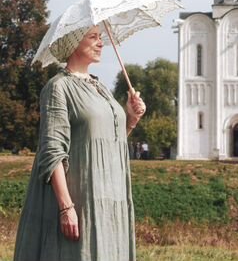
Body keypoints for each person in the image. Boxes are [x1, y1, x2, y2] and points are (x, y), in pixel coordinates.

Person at [13, 25, 146, 261]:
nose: (100, 42)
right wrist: (66, 207)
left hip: (110, 198)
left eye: (101, 37)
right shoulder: (58, 87)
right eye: (93, 37)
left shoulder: (101, 87)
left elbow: (106, 145)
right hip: (82, 200)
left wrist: (131, 120)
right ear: (74, 42)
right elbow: (52, 151)